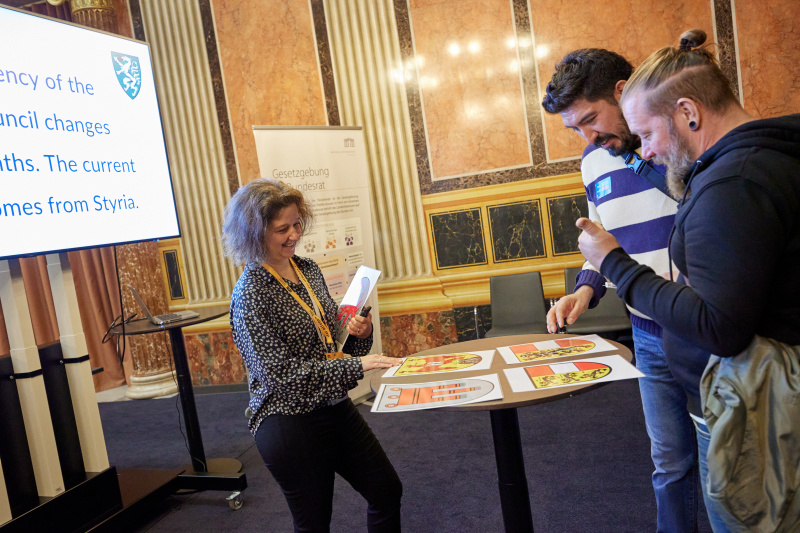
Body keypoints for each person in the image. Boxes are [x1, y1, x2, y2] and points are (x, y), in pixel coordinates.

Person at [576, 29, 800, 531]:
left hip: (762, 408)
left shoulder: (733, 183)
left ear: (688, 113)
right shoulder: (750, 162)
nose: (645, 152)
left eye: (648, 134)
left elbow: (720, 326)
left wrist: (615, 262)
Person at [541, 49, 700, 532]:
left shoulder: (680, 139)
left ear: (622, 91)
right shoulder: (593, 161)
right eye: (574, 129)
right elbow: (603, 237)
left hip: (704, 326)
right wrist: (584, 290)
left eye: (590, 119)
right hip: (648, 334)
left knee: (727, 463)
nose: (587, 137)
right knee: (669, 462)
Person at [221, 178, 404, 532]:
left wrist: (358, 336)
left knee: (386, 491)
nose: (294, 235)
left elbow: (331, 343)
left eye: (297, 224)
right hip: (288, 422)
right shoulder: (250, 295)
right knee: (314, 523)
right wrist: (360, 363)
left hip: (332, 405)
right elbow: (284, 379)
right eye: (281, 229)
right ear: (254, 233)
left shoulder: (307, 269)